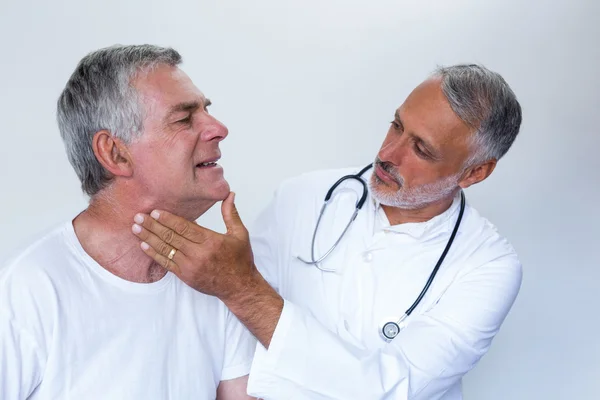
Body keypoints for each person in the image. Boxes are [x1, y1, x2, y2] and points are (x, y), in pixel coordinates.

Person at [132, 64, 523, 399]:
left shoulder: (488, 266)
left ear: (475, 172)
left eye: (421, 149)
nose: (388, 153)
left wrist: (242, 288)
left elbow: (389, 390)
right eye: (396, 125)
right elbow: (229, 332)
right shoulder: (304, 197)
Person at [0, 44, 256, 399]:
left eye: (206, 110)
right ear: (115, 153)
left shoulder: (218, 276)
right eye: (184, 119)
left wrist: (243, 288)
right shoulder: (27, 290)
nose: (218, 128)